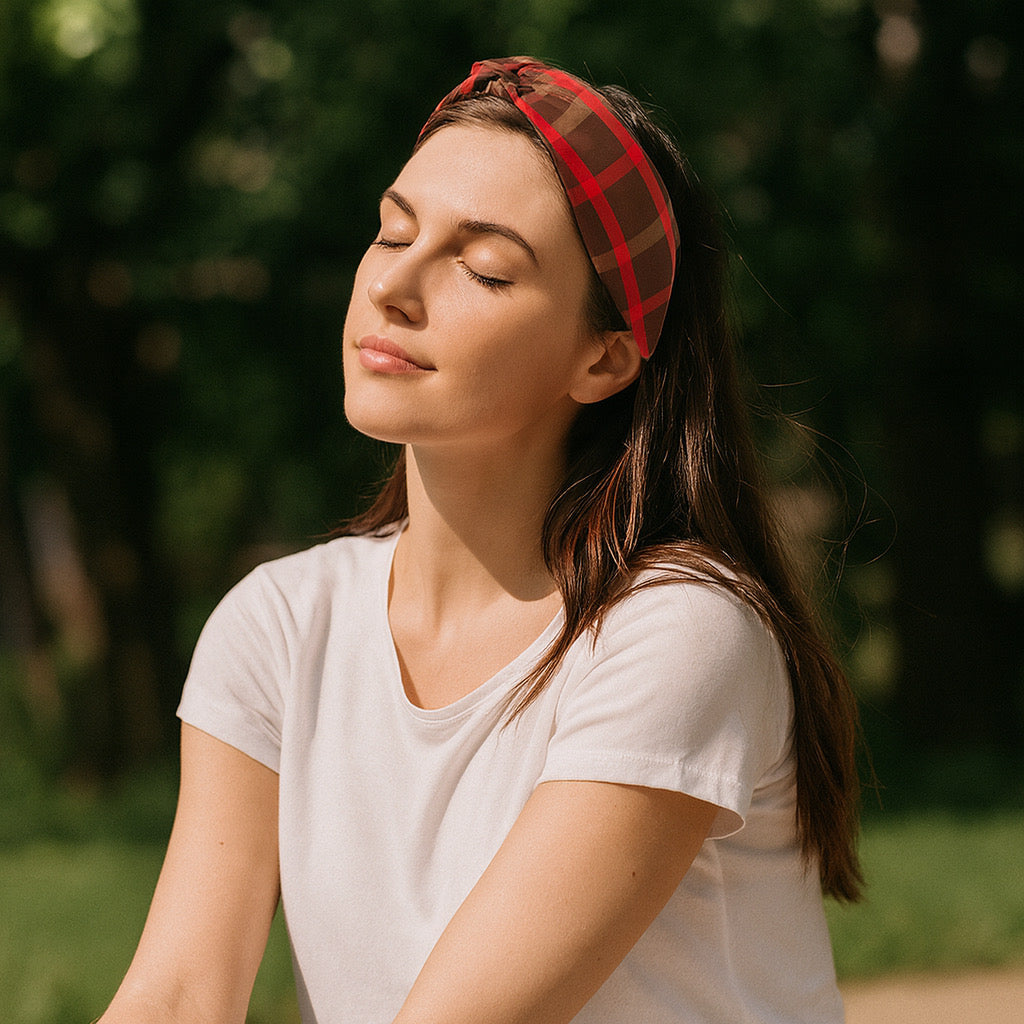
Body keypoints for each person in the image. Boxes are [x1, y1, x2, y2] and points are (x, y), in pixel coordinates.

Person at [98, 57, 862, 1024]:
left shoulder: (678, 634)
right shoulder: (281, 626)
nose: (397, 287)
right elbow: (177, 995)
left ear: (604, 356)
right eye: (393, 232)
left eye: (484, 266)